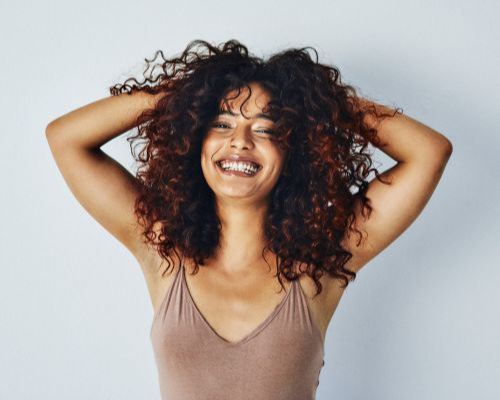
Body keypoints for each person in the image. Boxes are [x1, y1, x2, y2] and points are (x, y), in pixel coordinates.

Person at [45, 39, 453, 400]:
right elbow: (65, 138)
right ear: (194, 138)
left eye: (266, 129)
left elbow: (429, 152)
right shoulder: (160, 243)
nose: (240, 140)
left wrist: (315, 102)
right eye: (222, 123)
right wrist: (188, 94)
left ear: (294, 149)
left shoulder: (323, 261)